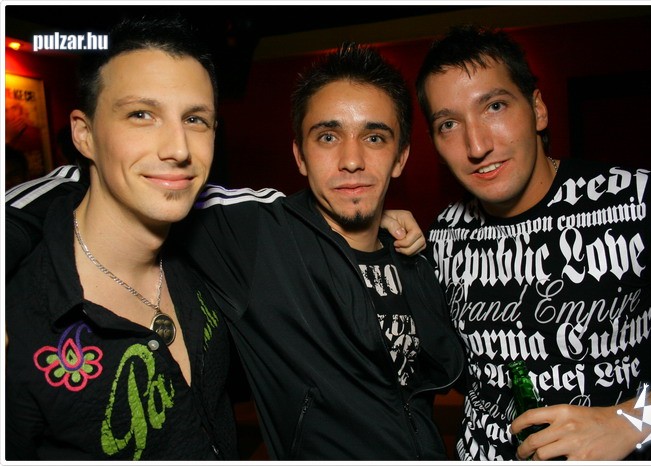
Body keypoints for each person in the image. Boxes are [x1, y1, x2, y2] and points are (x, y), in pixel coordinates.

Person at [5, 42, 462, 460]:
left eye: (375, 137)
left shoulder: (418, 261)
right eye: (327, 136)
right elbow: (106, 178)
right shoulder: (257, 236)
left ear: (401, 157)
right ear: (299, 156)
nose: (352, 160)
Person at [414, 24, 651, 461]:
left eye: (494, 106)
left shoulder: (637, 202)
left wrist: (634, 421)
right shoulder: (441, 234)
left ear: (538, 109)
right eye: (448, 124)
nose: (477, 144)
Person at [4, 16, 239, 460]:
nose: (178, 148)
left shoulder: (212, 255)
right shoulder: (20, 319)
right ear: (85, 135)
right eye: (141, 115)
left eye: (195, 119)